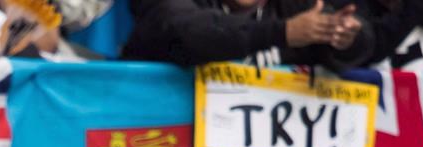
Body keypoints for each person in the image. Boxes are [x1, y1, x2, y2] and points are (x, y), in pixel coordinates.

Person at [122, 0, 374, 72]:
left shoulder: (295, 6)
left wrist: (345, 36)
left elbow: (365, 44)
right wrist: (284, 32)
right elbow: (190, 31)